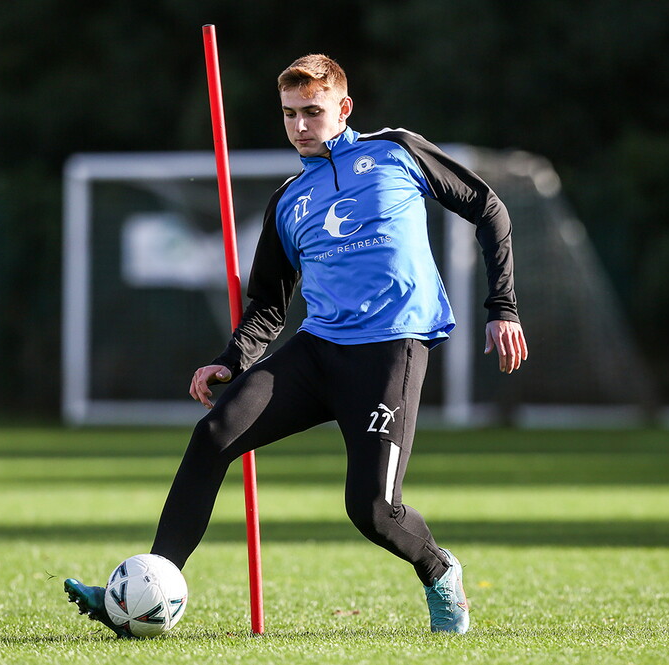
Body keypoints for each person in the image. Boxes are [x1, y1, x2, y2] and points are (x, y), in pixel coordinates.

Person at [65, 54, 528, 637]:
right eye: (290, 114)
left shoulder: (397, 151)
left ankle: (439, 571)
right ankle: (140, 596)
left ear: (343, 108)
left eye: (313, 111)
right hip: (317, 351)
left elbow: (488, 207)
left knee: (374, 512)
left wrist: (502, 308)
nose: (301, 125)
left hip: (391, 352)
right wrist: (230, 361)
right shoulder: (288, 198)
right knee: (212, 436)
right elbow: (268, 304)